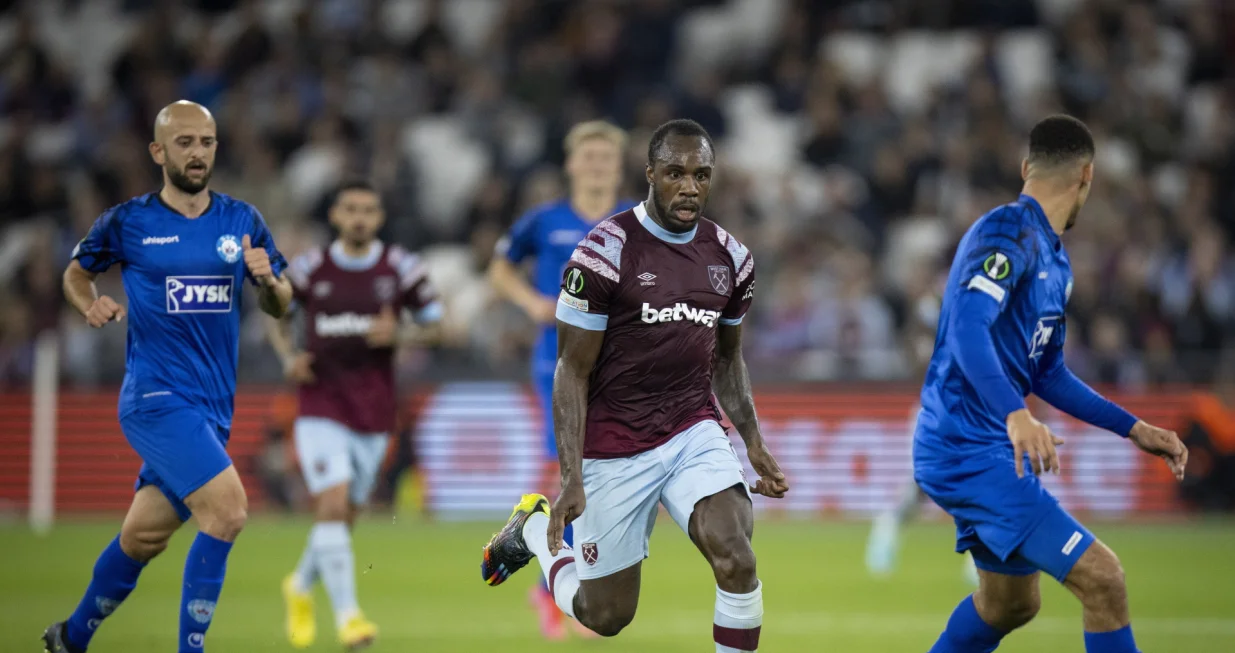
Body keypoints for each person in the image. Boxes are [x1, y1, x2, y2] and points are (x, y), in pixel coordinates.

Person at [480, 119, 789, 652]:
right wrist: (571, 477)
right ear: (650, 174)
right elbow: (570, 371)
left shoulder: (732, 258)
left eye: (701, 175)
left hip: (692, 427)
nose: (689, 186)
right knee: (605, 616)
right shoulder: (602, 251)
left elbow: (729, 358)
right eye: (675, 173)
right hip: (615, 442)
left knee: (736, 556)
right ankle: (531, 530)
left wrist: (752, 439)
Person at [915, 115, 1188, 653]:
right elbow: (969, 326)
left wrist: (1131, 427)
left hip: (986, 449)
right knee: (1104, 579)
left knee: (1011, 604)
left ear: (1026, 167)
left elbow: (1049, 372)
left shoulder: (1055, 262)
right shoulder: (1007, 231)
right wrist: (1016, 413)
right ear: (1088, 175)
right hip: (967, 448)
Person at [43, 100, 293, 653]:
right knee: (228, 511)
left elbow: (280, 303)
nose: (197, 152)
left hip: (212, 408)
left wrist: (270, 286)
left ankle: (69, 637)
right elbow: (76, 273)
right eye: (184, 143)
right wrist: (89, 304)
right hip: (154, 398)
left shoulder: (242, 221)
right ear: (158, 152)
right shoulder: (128, 221)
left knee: (143, 536)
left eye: (206, 142)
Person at [268, 180, 442, 650]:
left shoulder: (400, 268)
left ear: (379, 218)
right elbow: (276, 312)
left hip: (375, 411)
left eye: (368, 209)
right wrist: (287, 355)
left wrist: (401, 335)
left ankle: (299, 585)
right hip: (319, 403)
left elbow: (440, 326)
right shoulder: (310, 267)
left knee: (343, 516)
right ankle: (350, 620)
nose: (359, 217)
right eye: (350, 209)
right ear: (337, 216)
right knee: (330, 503)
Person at [488, 120, 635, 640]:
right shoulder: (544, 219)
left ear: (617, 167)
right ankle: (559, 584)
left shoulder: (632, 220)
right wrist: (530, 301)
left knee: (597, 472)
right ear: (572, 164)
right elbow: (500, 267)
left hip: (618, 364)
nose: (596, 165)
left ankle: (553, 569)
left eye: (605, 158)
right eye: (588, 156)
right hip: (557, 362)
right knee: (579, 467)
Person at [866, 404, 979, 586]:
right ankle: (882, 548)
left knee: (977, 512)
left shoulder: (970, 407)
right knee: (908, 508)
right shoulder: (930, 409)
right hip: (930, 466)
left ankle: (978, 567)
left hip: (954, 467)